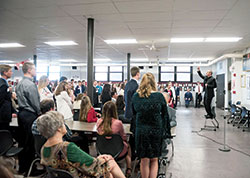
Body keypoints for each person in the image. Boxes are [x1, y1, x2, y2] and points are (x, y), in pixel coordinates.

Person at [37, 111, 125, 178]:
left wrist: (99, 159)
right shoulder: (67, 148)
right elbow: (92, 166)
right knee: (110, 162)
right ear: (58, 129)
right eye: (63, 123)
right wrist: (103, 159)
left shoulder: (44, 149)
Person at [132, 73, 171, 178]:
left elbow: (133, 115)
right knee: (154, 160)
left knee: (144, 160)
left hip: (141, 131)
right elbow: (165, 115)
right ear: (153, 83)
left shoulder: (136, 96)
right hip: (156, 131)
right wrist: (165, 130)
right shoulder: (159, 96)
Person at [16, 62, 41, 175]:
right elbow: (35, 102)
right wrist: (40, 113)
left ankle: (22, 167)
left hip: (21, 113)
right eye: (34, 69)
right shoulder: (30, 85)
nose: (35, 71)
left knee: (22, 141)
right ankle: (31, 169)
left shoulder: (20, 84)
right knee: (30, 142)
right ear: (29, 70)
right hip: (30, 114)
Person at [97, 101, 132, 178]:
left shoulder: (99, 122)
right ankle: (129, 168)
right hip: (117, 150)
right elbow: (124, 138)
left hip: (102, 149)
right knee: (128, 146)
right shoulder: (118, 123)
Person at [0, 65, 16, 131]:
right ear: (5, 72)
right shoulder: (3, 85)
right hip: (3, 116)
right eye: (10, 71)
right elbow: (2, 101)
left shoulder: (4, 83)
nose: (12, 73)